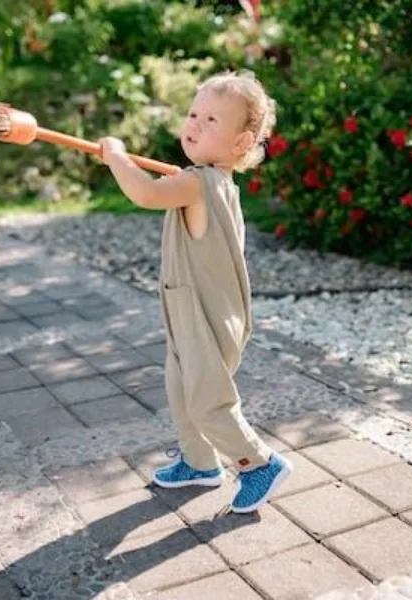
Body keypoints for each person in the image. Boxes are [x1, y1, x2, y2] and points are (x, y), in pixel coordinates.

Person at [98, 71, 292, 513]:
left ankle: (259, 463)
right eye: (193, 114)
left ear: (241, 143)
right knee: (181, 392)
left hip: (206, 317)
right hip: (190, 311)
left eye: (211, 120)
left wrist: (117, 156)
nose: (195, 124)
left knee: (207, 402)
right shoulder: (208, 179)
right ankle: (200, 463)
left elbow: (146, 193)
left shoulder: (200, 183)